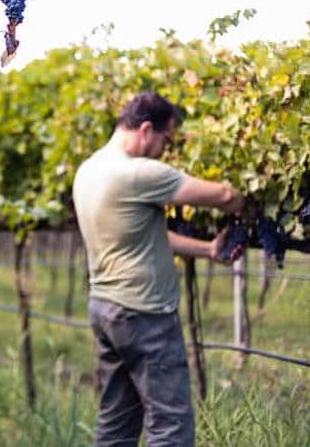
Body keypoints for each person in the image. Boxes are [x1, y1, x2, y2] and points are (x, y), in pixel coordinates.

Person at [72, 91, 245, 447]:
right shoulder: (137, 173)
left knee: (116, 424)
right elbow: (226, 196)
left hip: (106, 310)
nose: (165, 150)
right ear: (147, 130)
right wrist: (251, 203)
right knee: (170, 426)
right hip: (144, 315)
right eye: (166, 140)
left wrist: (207, 250)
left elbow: (145, 235)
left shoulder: (89, 170)